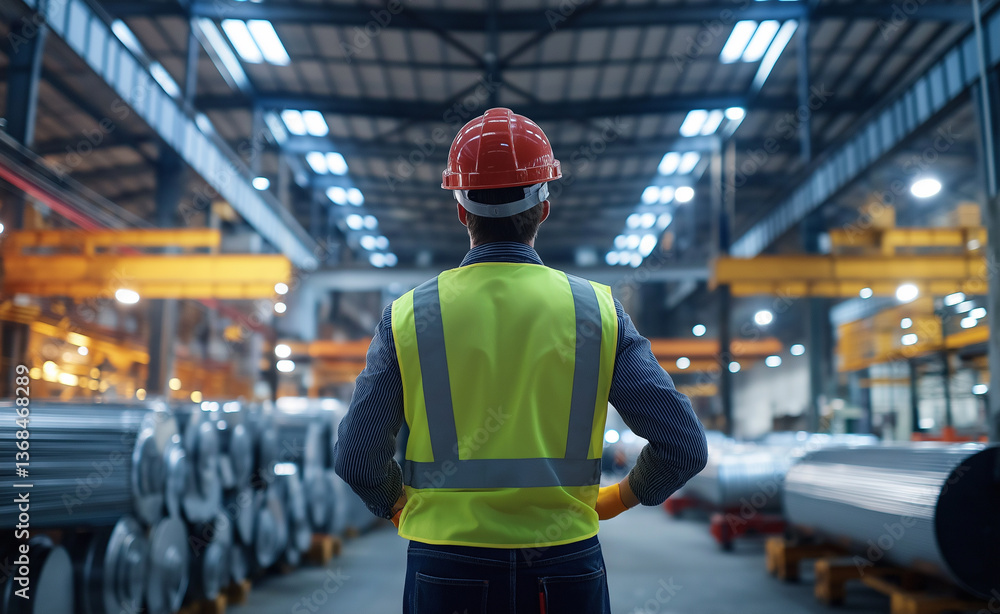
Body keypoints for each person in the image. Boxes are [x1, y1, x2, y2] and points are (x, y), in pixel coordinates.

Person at [334, 107, 708, 614]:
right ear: (544, 208)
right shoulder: (596, 312)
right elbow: (683, 445)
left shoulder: (409, 315)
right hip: (565, 564)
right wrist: (616, 499)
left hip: (445, 564)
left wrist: (397, 506)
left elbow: (357, 455)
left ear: (461, 210)